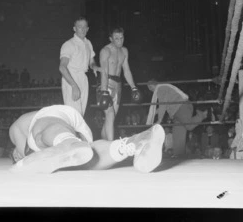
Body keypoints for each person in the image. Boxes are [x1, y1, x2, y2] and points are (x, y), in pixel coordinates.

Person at [9, 104, 165, 174]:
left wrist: (21, 157)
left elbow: (27, 159)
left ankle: (67, 142)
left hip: (53, 117)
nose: (16, 157)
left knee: (38, 138)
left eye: (13, 156)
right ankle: (134, 142)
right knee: (89, 159)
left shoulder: (16, 131)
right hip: (73, 126)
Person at [97, 27, 142, 141]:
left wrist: (134, 87)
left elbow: (126, 70)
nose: (119, 41)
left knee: (110, 118)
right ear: (111, 38)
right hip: (106, 83)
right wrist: (103, 91)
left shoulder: (124, 51)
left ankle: (103, 144)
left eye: (121, 38)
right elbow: (104, 72)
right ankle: (112, 145)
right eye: (116, 38)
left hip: (118, 85)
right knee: (110, 115)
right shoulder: (105, 51)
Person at [146, 80, 208, 157]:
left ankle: (201, 115)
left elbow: (163, 104)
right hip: (177, 112)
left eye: (150, 87)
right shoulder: (163, 89)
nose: (150, 89)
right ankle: (178, 154)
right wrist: (154, 113)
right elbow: (164, 105)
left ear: (155, 84)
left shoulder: (160, 88)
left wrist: (159, 120)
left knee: (189, 126)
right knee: (177, 133)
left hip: (181, 107)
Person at [59, 17, 101, 116]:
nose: (82, 29)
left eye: (84, 27)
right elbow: (62, 67)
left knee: (81, 114)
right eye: (79, 27)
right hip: (71, 77)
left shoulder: (88, 43)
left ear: (87, 29)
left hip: (83, 78)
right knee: (73, 114)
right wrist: (73, 85)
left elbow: (91, 61)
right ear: (74, 29)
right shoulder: (69, 44)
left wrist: (95, 66)